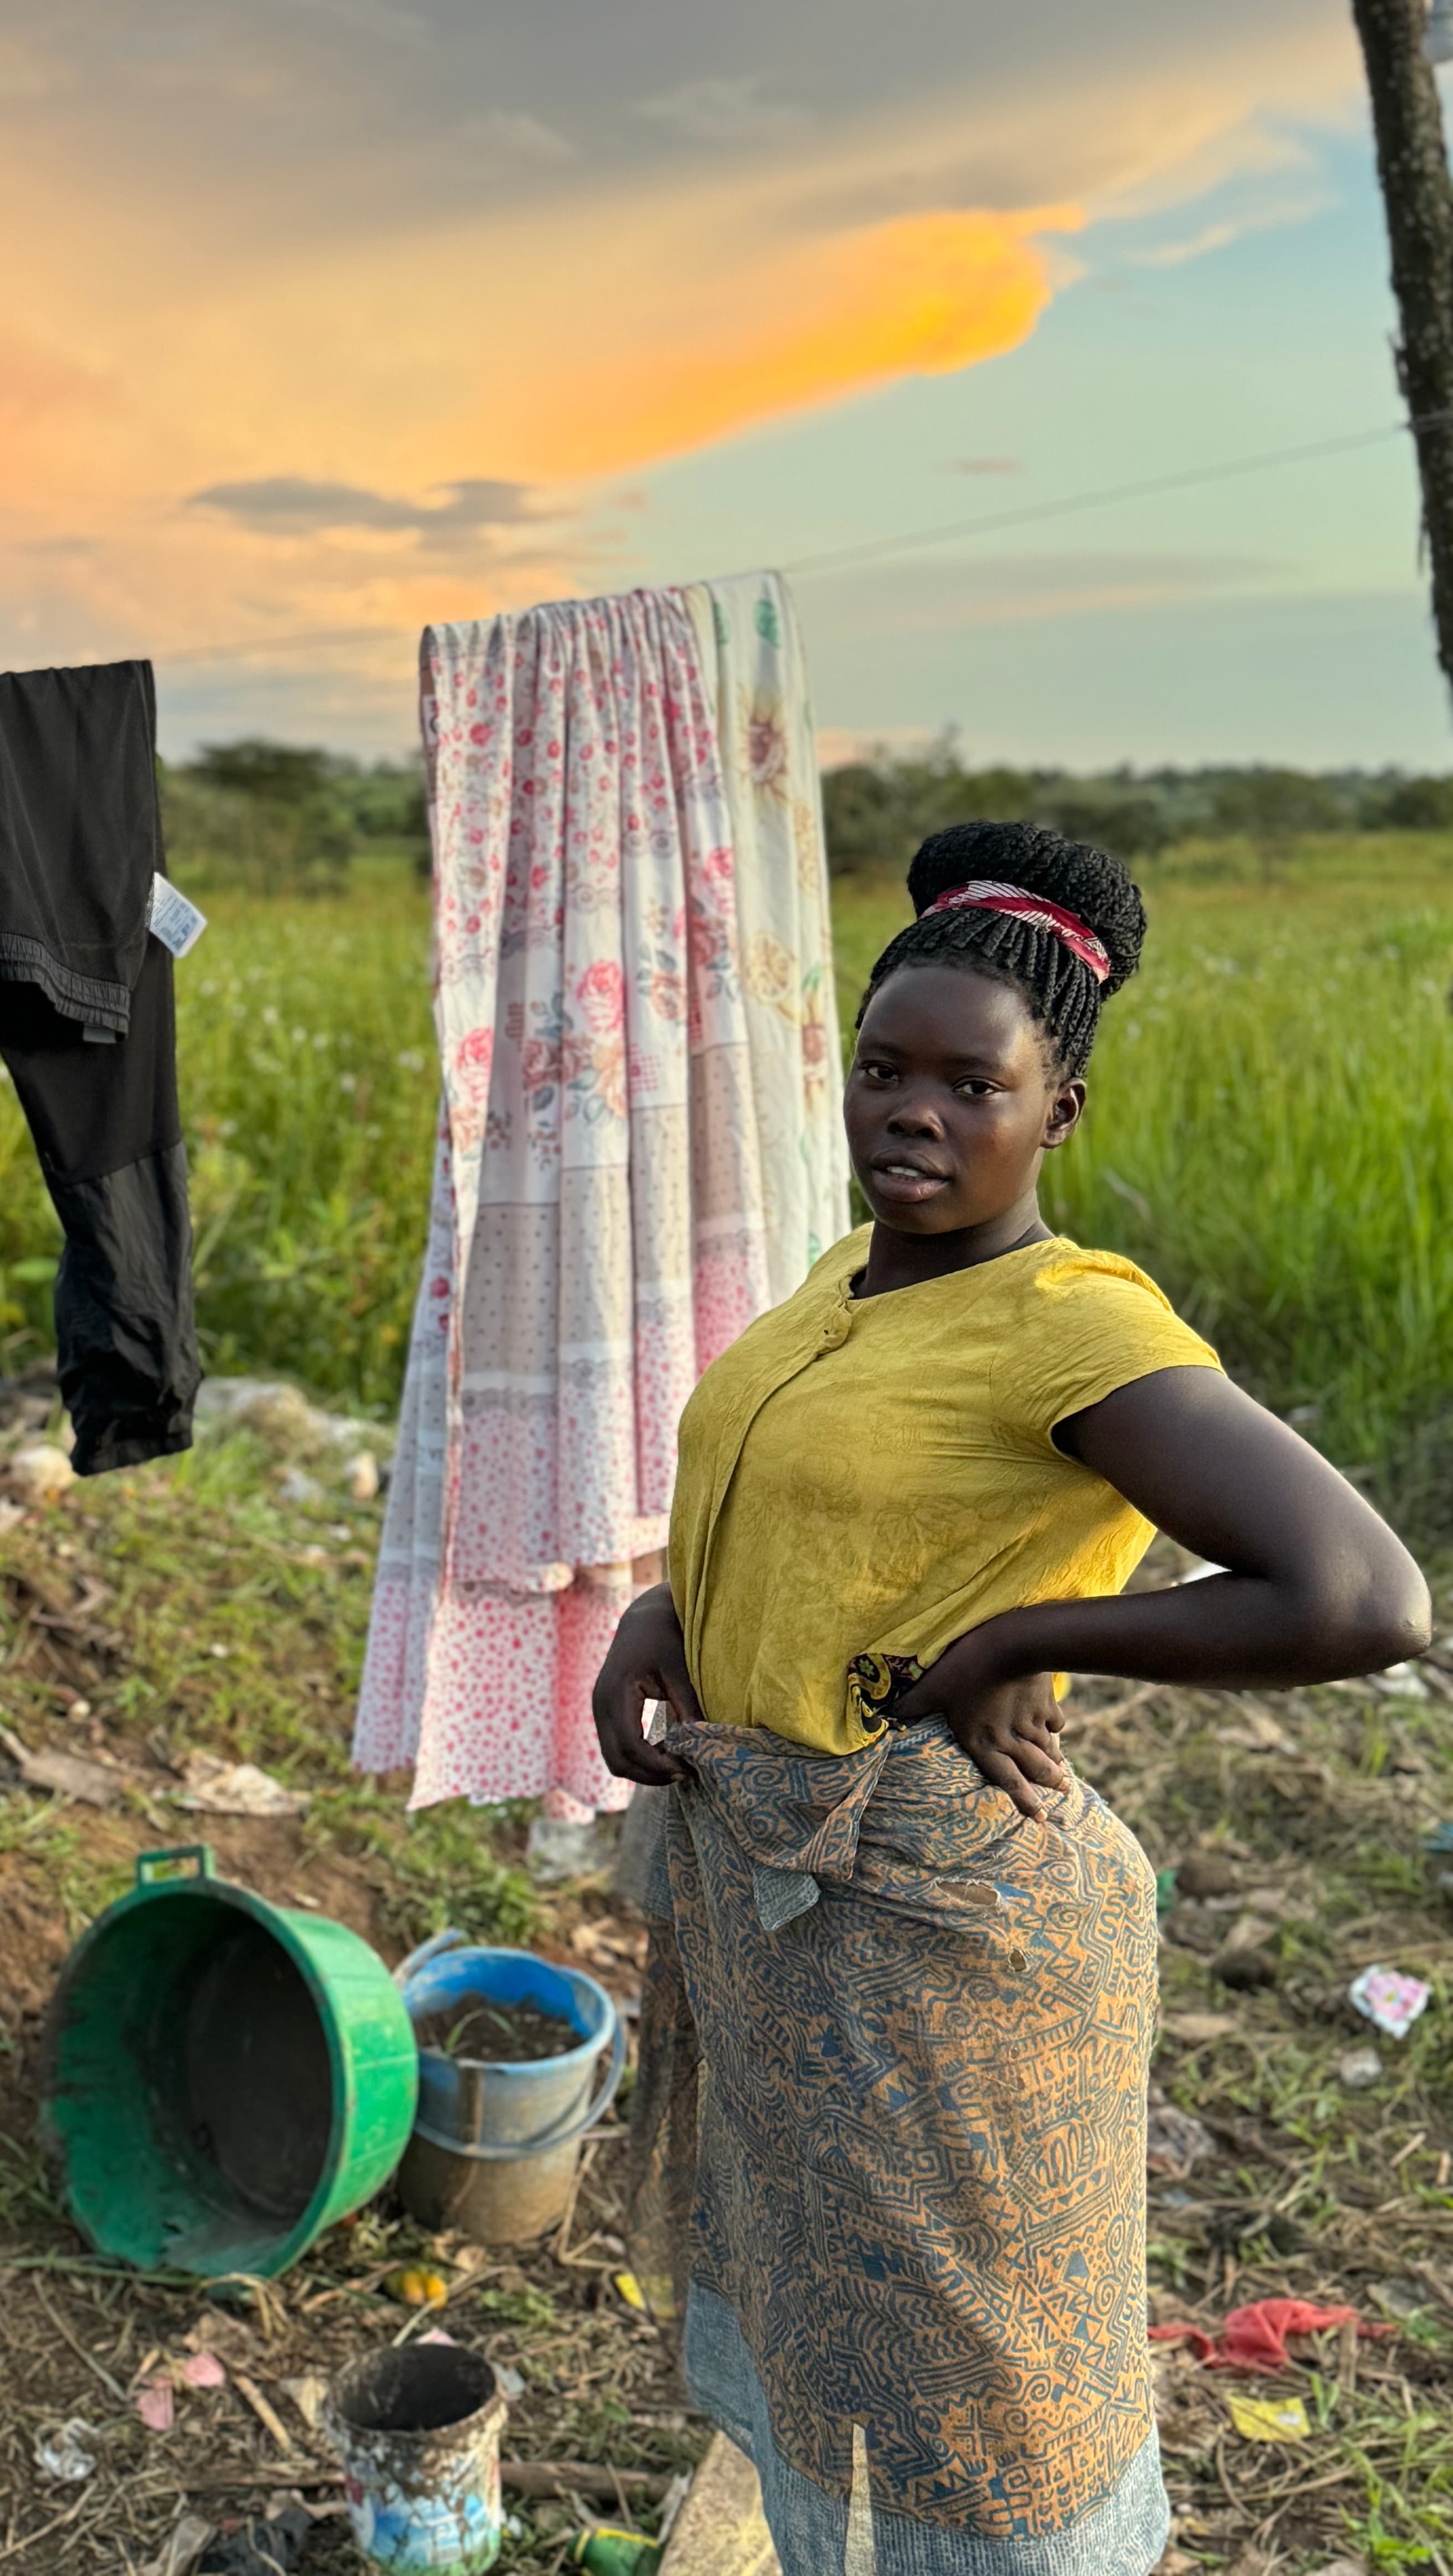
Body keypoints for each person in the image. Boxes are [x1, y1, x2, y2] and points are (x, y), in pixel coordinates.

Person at [590, 820, 1428, 2576]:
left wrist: (1018, 1643)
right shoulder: (851, 1283)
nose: (914, 1113)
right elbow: (836, 1515)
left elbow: (1360, 1597)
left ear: (1061, 1111)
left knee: (985, 2399)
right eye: (887, 1069)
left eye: (974, 1084)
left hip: (941, 1939)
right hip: (792, 1915)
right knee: (830, 2329)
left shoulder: (1070, 1325)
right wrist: (674, 1606)